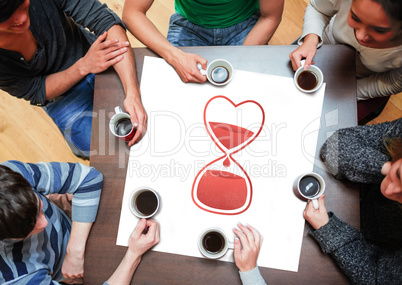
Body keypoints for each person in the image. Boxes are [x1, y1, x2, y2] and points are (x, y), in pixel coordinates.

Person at [0, 0, 147, 159]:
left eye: (22, 5)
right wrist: (83, 66)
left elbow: (104, 20)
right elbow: (37, 90)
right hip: (61, 96)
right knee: (107, 151)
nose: (21, 18)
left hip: (94, 53)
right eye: (6, 17)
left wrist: (132, 93)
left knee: (150, 103)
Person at [0, 160, 159, 284]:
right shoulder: (15, 278)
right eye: (30, 229)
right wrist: (133, 255)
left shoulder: (11, 175)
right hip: (73, 273)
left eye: (39, 207)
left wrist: (74, 251)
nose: (44, 223)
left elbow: (88, 178)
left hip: (73, 234)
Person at [303, 118, 402, 284]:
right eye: (399, 175)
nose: (389, 191)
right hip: (352, 198)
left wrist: (329, 230)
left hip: (371, 246)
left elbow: (376, 279)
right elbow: (335, 147)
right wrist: (386, 168)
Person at [289, 0, 402, 122]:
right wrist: (311, 39)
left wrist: (349, 92)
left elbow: (393, 82)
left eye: (379, 30)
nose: (360, 36)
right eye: (355, 17)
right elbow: (318, 8)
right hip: (321, 46)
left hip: (367, 82)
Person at [122, 0, 284, 83]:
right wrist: (175, 57)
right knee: (175, 92)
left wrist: (242, 59)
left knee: (252, 89)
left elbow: (270, 17)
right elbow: (132, 13)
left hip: (244, 24)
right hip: (189, 24)